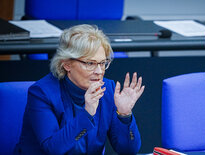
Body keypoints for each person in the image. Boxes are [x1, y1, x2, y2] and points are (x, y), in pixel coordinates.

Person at [14, 24, 145, 154]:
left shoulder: (108, 89)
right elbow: (53, 149)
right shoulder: (42, 93)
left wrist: (124, 114)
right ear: (67, 64)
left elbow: (128, 151)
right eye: (90, 63)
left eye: (103, 63)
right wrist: (87, 114)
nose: (99, 71)